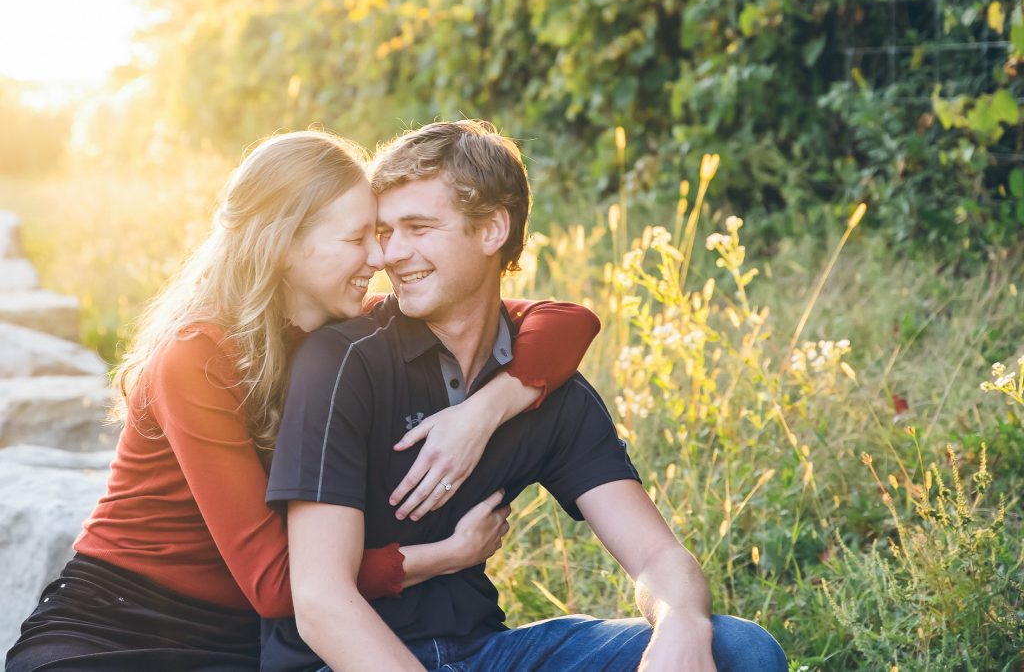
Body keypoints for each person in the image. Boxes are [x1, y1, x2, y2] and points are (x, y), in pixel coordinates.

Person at [5, 130, 602, 671]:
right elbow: (274, 582)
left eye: (380, 235)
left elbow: (563, 320)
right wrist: (440, 556)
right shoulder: (198, 355)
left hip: (241, 648)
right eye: (357, 239)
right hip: (114, 630)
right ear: (285, 246)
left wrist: (485, 409)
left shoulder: (341, 336)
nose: (381, 257)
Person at [262, 120, 789, 671]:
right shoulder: (343, 361)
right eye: (384, 231)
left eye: (417, 227)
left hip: (484, 654)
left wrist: (681, 618)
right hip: (341, 662)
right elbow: (321, 604)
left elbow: (657, 555)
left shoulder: (544, 388)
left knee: (740, 649)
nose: (391, 255)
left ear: (491, 230)